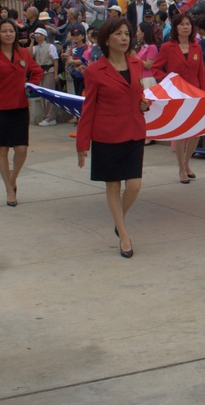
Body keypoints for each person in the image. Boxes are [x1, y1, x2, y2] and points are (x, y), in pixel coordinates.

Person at [76, 16, 150, 259]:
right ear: (106, 39)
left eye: (127, 34)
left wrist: (144, 103)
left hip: (134, 131)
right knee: (113, 185)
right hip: (106, 135)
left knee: (134, 186)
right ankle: (124, 235)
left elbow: (140, 94)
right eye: (118, 34)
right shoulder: (95, 71)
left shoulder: (137, 64)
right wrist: (82, 143)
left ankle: (119, 223)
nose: (124, 38)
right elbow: (88, 109)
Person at [0, 19, 44, 207]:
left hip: (19, 108)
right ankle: (9, 189)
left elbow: (37, 71)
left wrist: (32, 87)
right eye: (4, 31)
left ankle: (12, 179)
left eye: (11, 31)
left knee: (21, 149)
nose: (8, 34)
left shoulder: (22, 53)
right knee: (2, 149)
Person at [152, 13, 205, 184]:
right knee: (179, 131)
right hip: (176, 95)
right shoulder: (167, 47)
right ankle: (181, 169)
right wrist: (169, 81)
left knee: (197, 131)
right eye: (181, 24)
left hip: (195, 93)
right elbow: (156, 68)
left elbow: (202, 72)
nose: (185, 27)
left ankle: (186, 162)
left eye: (188, 24)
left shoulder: (197, 47)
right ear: (175, 27)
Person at [29, 28, 60, 127]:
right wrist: (32, 40)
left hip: (49, 71)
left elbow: (55, 60)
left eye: (38, 35)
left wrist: (55, 73)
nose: (37, 36)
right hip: (40, 72)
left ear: (44, 36)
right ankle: (46, 116)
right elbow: (29, 54)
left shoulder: (50, 46)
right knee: (42, 95)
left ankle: (51, 117)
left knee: (49, 95)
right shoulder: (36, 47)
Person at [135, 22, 160, 88]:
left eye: (138, 31)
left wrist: (135, 57)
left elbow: (148, 65)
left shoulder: (152, 47)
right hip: (139, 78)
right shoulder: (140, 47)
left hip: (147, 79)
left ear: (143, 33)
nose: (136, 34)